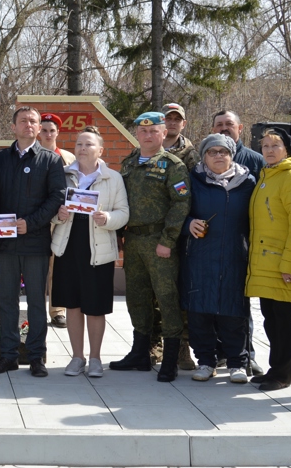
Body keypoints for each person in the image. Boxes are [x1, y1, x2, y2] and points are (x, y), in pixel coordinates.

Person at [0, 107, 65, 378]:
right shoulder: (0, 159)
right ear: (14, 127)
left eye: (34, 121)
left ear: (39, 127)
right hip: (5, 244)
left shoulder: (50, 160)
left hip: (35, 242)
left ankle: (36, 356)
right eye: (24, 121)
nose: (29, 125)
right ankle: (8, 355)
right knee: (6, 300)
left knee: (35, 302)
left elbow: (57, 197)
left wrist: (30, 222)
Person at [110, 112, 190, 382]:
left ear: (163, 133)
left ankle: (170, 360)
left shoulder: (172, 164)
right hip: (133, 241)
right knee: (137, 298)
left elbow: (181, 204)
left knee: (167, 299)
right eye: (142, 131)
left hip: (159, 243)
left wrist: (168, 241)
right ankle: (140, 353)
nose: (147, 135)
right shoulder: (129, 162)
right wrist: (119, 234)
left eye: (153, 131)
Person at [50, 126, 129, 378]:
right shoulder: (62, 175)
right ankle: (77, 357)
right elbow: (49, 205)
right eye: (79, 144)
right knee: (72, 305)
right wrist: (58, 214)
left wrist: (107, 217)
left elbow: (124, 213)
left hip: (99, 251)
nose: (82, 148)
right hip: (68, 247)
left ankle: (95, 358)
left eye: (88, 144)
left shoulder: (112, 178)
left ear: (101, 150)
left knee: (95, 307)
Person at [180, 134, 256, 384]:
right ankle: (205, 361)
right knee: (199, 310)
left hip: (235, 254)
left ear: (232, 154)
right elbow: (178, 212)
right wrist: (189, 224)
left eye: (223, 151)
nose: (218, 156)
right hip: (201, 255)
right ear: (203, 156)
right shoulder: (194, 180)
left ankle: (237, 363)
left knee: (234, 311)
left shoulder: (248, 183)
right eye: (212, 152)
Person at [245, 127, 291, 391]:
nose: (269, 150)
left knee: (283, 321)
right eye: (265, 146)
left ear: (288, 149)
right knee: (271, 319)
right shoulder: (266, 175)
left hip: (281, 263)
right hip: (263, 261)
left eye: (275, 146)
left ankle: (284, 373)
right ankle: (274, 368)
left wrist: (289, 264)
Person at [211, 109, 264, 375]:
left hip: (245, 242)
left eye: (228, 124)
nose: (223, 128)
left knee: (240, 304)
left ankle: (247, 355)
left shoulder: (255, 160)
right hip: (211, 244)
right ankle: (221, 354)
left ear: (240, 128)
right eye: (218, 125)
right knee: (214, 301)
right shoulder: (206, 158)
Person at [39, 113, 75, 329]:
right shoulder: (32, 155)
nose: (48, 134)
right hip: (35, 217)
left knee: (56, 264)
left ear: (58, 133)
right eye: (44, 130)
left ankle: (57, 310)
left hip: (59, 219)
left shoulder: (69, 159)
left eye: (52, 130)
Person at [162, 103, 199, 170]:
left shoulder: (190, 155)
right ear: (161, 121)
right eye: (168, 118)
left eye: (177, 119)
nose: (172, 123)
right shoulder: (148, 147)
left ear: (183, 124)